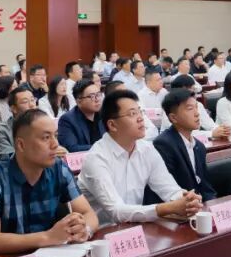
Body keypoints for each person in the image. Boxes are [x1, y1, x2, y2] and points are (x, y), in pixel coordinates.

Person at [0, 109, 97, 254]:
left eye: (55, 136)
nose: (55, 144)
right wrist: (47, 237)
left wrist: (84, 230)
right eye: (46, 138)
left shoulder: (59, 168)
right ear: (21, 145)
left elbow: (88, 213)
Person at [78, 89, 203, 224]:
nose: (140, 118)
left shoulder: (147, 149)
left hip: (134, 227)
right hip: (101, 232)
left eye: (140, 112)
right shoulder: (96, 159)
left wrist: (187, 199)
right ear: (112, 125)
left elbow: (169, 189)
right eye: (132, 114)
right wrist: (167, 208)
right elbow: (116, 211)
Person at [147, 89, 216, 202]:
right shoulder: (164, 144)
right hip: (179, 206)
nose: (197, 113)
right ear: (173, 118)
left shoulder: (199, 146)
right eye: (190, 109)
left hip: (198, 205)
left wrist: (213, 204)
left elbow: (205, 187)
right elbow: (168, 190)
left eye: (196, 107)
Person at [57, 79, 106, 153]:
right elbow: (72, 148)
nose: (97, 99)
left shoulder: (105, 114)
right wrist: (102, 147)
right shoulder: (67, 120)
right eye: (92, 96)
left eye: (98, 94)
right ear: (79, 101)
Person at [0, 87, 37, 159]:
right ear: (13, 109)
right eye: (25, 102)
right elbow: (8, 157)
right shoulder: (2, 130)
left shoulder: (43, 125)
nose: (32, 105)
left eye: (32, 100)